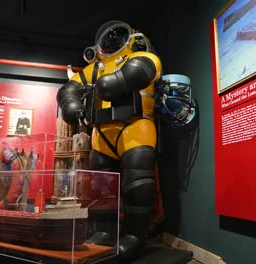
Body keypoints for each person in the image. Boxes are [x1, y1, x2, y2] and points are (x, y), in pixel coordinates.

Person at [56, 20, 162, 261]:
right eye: (108, 36)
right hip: (102, 134)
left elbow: (140, 70)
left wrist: (109, 83)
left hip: (135, 126)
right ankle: (104, 231)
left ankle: (135, 236)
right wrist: (70, 104)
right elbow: (68, 89)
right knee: (101, 188)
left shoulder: (144, 56)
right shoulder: (95, 68)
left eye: (117, 35)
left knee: (138, 185)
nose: (112, 38)